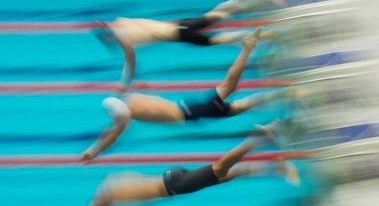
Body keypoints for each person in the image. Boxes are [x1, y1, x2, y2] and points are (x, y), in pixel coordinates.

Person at [46, 130, 298, 206]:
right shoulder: (106, 189)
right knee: (224, 176)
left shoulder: (101, 205)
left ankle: (260, 138)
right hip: (170, 176)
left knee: (220, 169)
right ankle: (274, 167)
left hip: (174, 186)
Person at [82, 28, 297, 160]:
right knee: (236, 107)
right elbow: (131, 59)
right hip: (188, 108)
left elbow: (113, 134)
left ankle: (248, 48)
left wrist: (95, 150)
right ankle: (283, 94)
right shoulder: (124, 92)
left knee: (229, 88)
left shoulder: (125, 114)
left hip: (190, 112)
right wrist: (119, 39)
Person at [93, 0, 283, 50]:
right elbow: (119, 20)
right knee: (216, 16)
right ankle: (251, 0)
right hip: (179, 26)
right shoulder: (127, 24)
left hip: (180, 33)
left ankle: (253, 0)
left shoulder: (128, 39)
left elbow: (123, 44)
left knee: (216, 35)